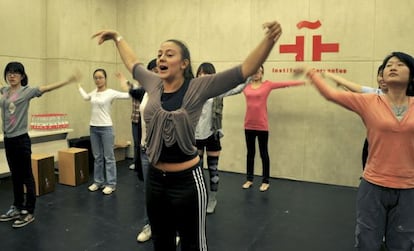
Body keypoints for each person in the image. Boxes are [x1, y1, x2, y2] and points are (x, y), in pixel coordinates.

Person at [92, 19, 282, 251]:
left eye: (168, 54)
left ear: (184, 63)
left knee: (193, 245)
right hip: (155, 180)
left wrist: (270, 39)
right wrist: (117, 37)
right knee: (162, 243)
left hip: (187, 182)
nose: (161, 58)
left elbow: (245, 69)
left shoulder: (199, 87)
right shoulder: (153, 82)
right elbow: (133, 63)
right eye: (159, 54)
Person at [299, 51, 414, 251]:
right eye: (388, 65)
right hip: (373, 186)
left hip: (409, 188)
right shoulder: (369, 101)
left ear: (412, 75)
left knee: (403, 244)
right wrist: (313, 74)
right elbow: (331, 94)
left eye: (400, 64)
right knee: (367, 242)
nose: (393, 67)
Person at [0, 61, 80, 228]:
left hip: (21, 139)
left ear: (22, 75)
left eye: (15, 72)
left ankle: (29, 211)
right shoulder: (5, 91)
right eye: (9, 72)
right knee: (15, 175)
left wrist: (67, 80)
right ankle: (17, 206)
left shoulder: (27, 91)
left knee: (26, 175)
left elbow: (47, 88)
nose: (11, 75)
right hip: (9, 139)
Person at [195, 62, 248, 214]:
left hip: (212, 134)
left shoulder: (217, 91)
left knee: (213, 170)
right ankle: (200, 197)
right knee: (196, 172)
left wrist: (249, 76)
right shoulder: (192, 90)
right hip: (195, 136)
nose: (203, 76)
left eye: (206, 73)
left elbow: (237, 89)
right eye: (200, 73)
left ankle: (212, 199)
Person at [241, 65, 305, 192]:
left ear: (262, 72)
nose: (256, 73)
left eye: (258, 71)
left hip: (262, 125)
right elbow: (232, 85)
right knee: (250, 153)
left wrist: (301, 82)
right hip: (248, 124)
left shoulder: (267, 85)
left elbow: (284, 84)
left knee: (264, 153)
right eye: (254, 71)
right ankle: (249, 179)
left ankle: (265, 181)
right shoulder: (245, 86)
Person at [322, 66, 386, 169]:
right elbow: (349, 85)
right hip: (374, 141)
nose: (382, 78)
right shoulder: (374, 93)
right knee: (368, 169)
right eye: (380, 75)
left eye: (386, 75)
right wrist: (329, 75)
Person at [78, 68, 130, 195]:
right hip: (94, 128)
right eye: (95, 78)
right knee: (98, 157)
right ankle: (98, 181)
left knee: (109, 157)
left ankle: (111, 184)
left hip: (106, 128)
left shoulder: (111, 93)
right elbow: (86, 97)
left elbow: (129, 95)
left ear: (105, 79)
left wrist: (124, 81)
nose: (98, 80)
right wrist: (78, 85)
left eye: (100, 77)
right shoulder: (94, 92)